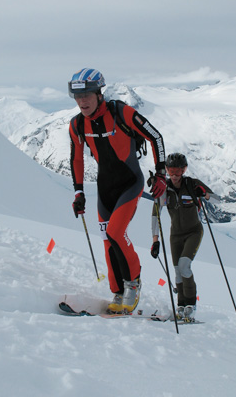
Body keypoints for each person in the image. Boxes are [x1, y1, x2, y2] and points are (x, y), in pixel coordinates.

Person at [68, 68, 166, 313]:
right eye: (77, 96)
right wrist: (78, 193)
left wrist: (161, 173)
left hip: (130, 183)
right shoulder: (77, 124)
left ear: (99, 93)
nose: (82, 101)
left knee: (116, 231)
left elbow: (156, 137)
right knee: (107, 240)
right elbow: (77, 159)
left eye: (87, 95)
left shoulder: (121, 112)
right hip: (105, 189)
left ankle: (133, 283)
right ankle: (118, 292)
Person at [150, 153, 213, 319]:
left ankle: (191, 305)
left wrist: (204, 194)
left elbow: (215, 199)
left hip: (194, 231)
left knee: (184, 265)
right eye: (171, 171)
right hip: (175, 235)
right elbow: (156, 213)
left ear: (184, 170)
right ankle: (181, 305)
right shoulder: (165, 189)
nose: (175, 175)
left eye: (178, 171)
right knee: (178, 271)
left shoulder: (192, 184)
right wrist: (155, 240)